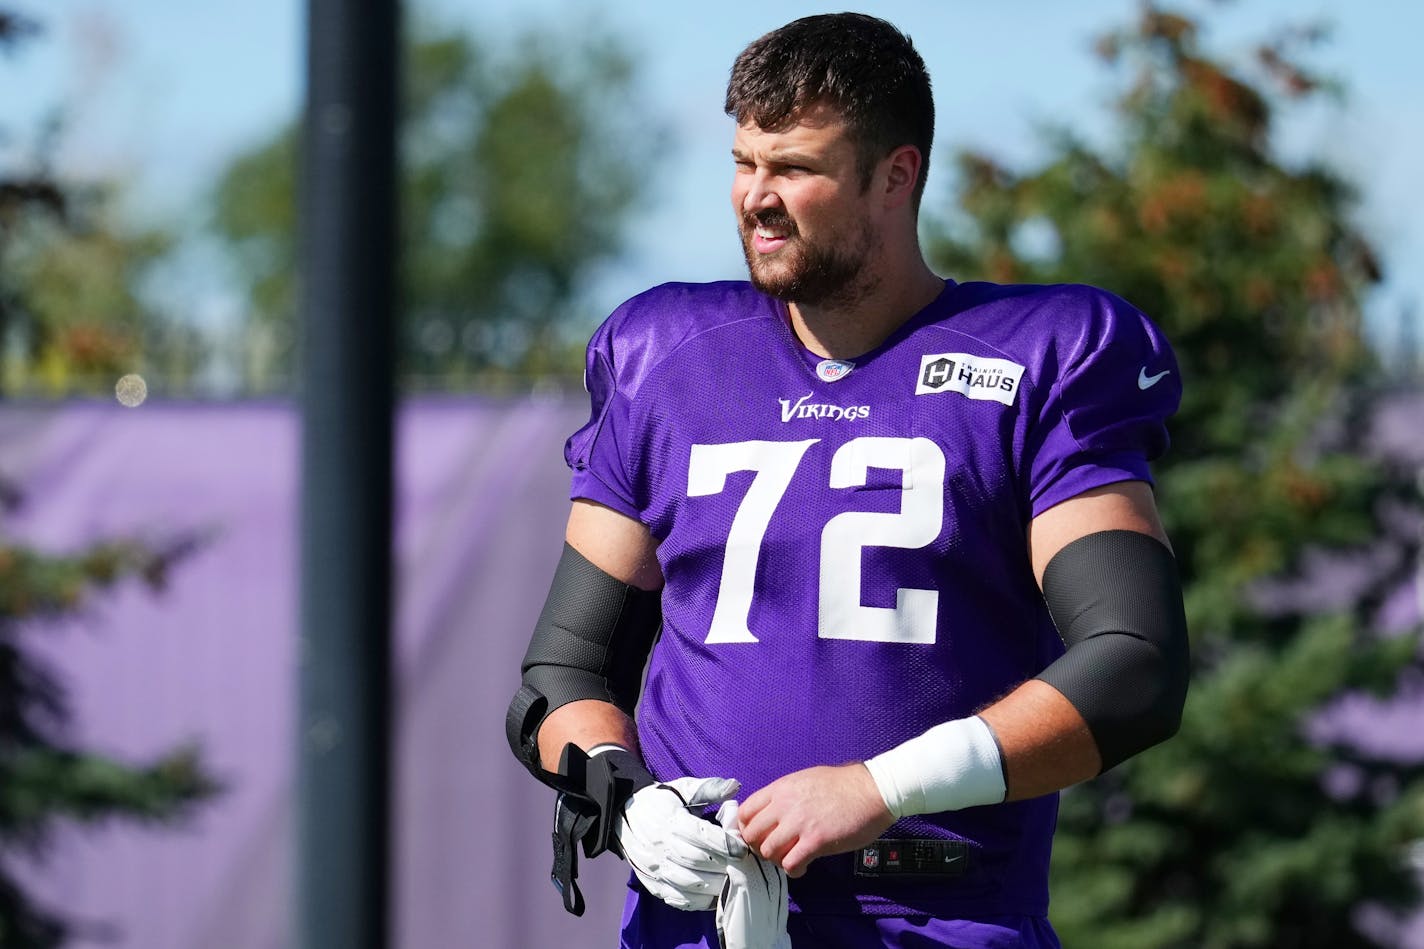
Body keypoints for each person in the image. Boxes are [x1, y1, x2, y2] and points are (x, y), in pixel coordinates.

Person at [506, 12, 1190, 949]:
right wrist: (626, 801)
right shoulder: (668, 356)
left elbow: (1133, 663)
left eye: (794, 168)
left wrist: (884, 786)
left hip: (937, 916)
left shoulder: (1039, 355)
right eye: (744, 163)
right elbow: (564, 672)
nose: (756, 197)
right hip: (698, 925)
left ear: (895, 176)